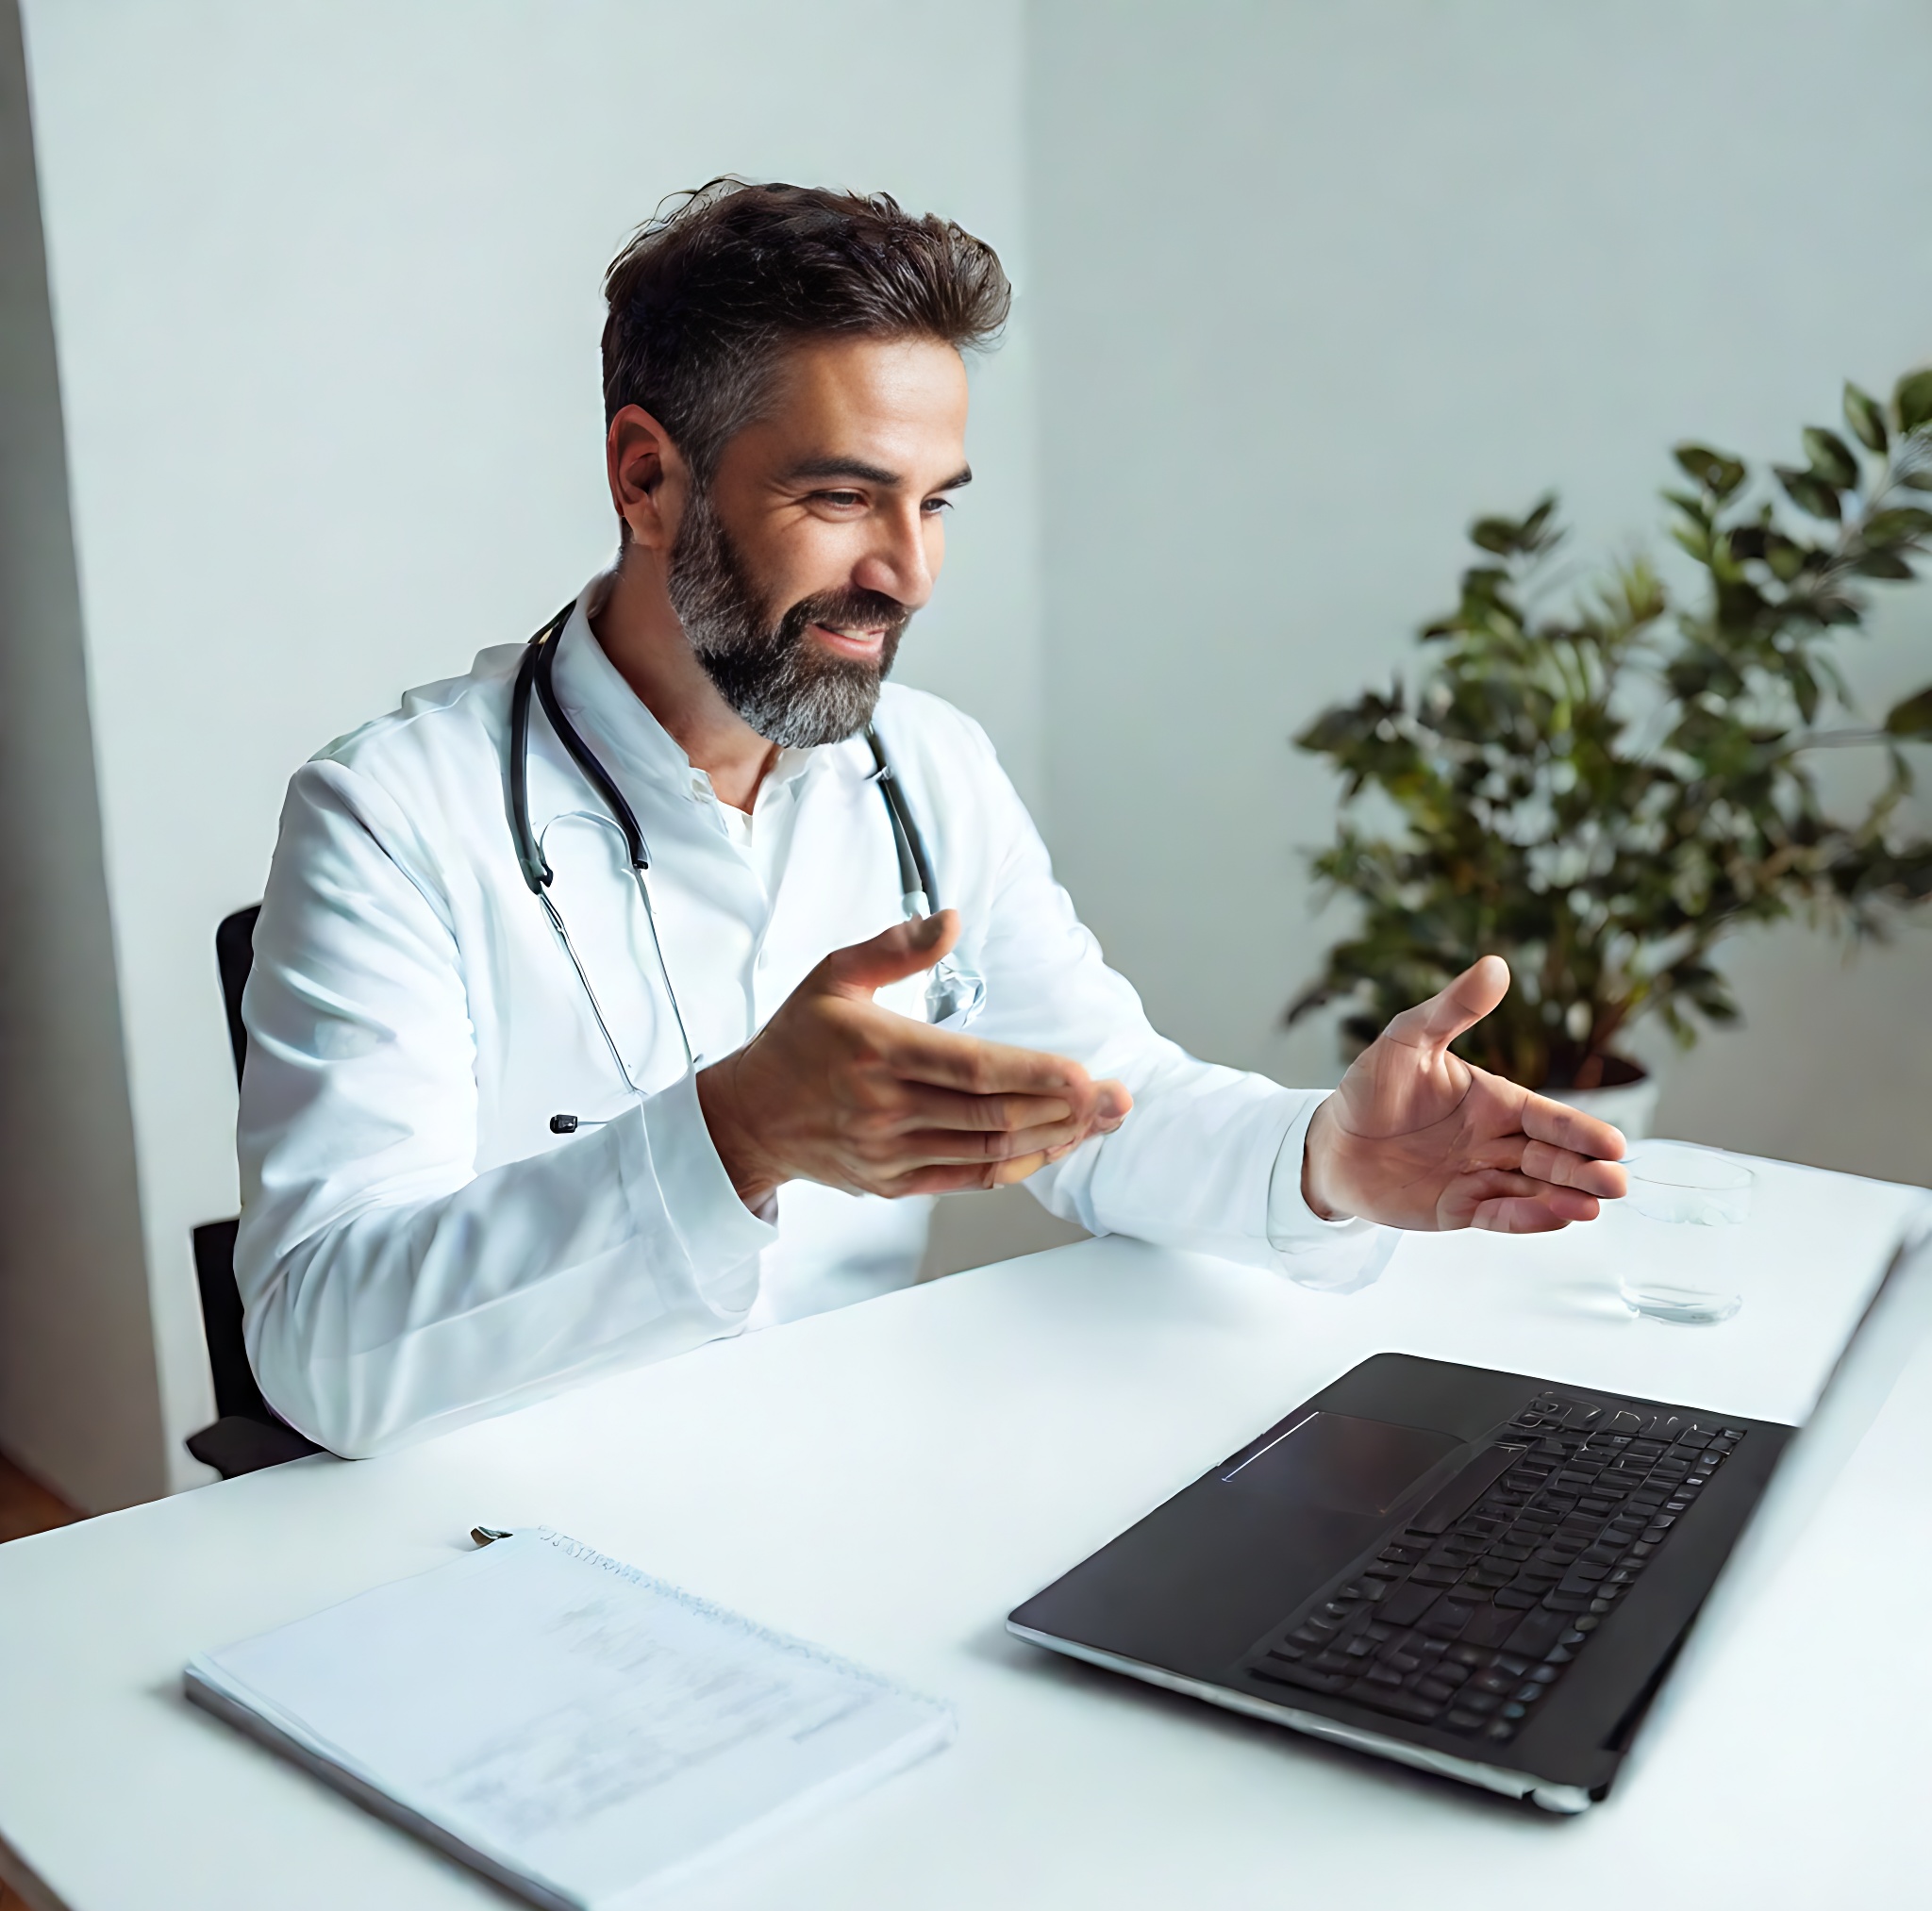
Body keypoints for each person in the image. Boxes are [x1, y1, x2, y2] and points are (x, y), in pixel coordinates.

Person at [236, 180, 1624, 1458]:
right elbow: (321, 1356)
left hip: (851, 1470)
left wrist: (1329, 1158)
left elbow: (1102, 1111)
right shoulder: (393, 815)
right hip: (504, 1515)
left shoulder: (927, 767)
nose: (904, 572)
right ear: (646, 479)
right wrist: (736, 1132)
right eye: (840, 497)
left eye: (933, 505)